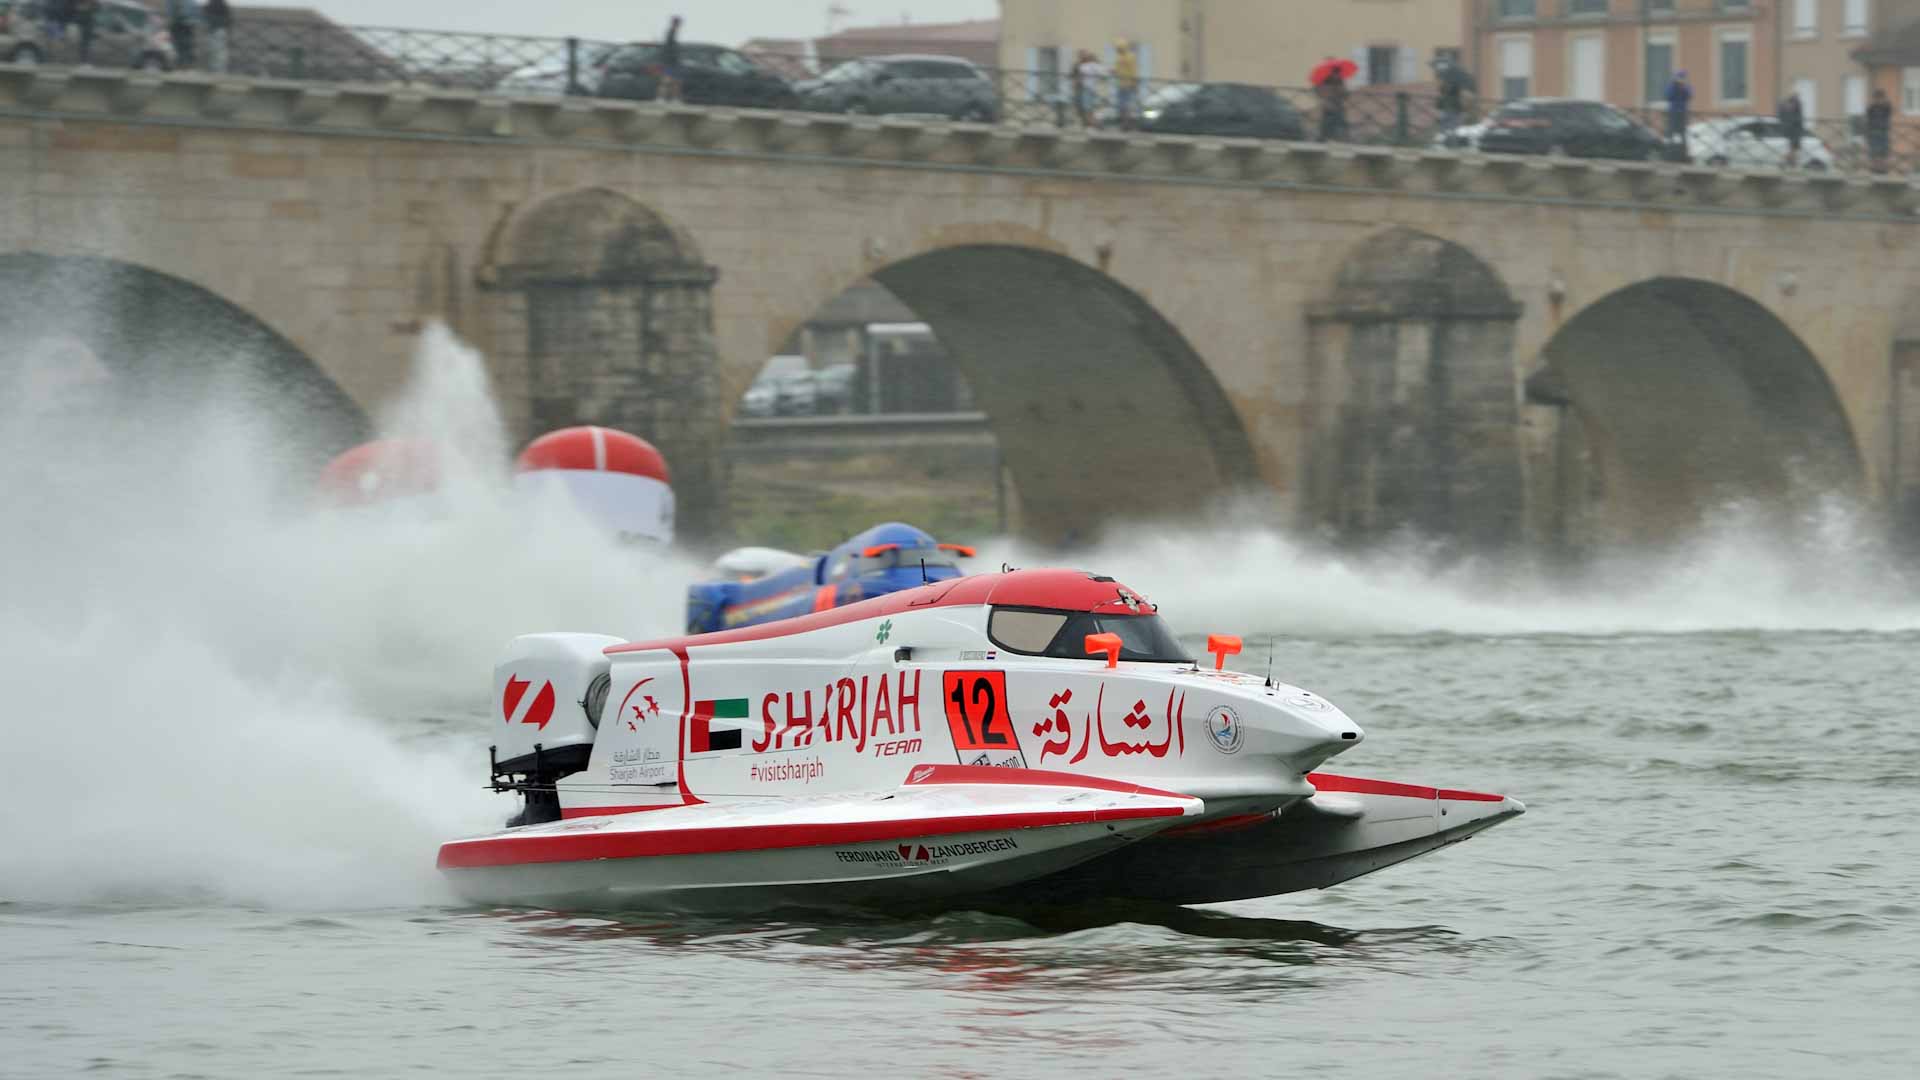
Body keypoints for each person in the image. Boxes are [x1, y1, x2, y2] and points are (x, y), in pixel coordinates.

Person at [1071, 49, 1107, 127]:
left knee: (1088, 107)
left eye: (1084, 55)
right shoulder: (1079, 65)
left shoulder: (1087, 66)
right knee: (1082, 108)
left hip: (1087, 88)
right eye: (1081, 55)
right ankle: (1090, 123)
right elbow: (1074, 75)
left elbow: (1102, 74)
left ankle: (1092, 124)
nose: (1083, 57)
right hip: (1081, 88)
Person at [1317, 62, 1348, 142]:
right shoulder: (1325, 81)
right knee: (1326, 125)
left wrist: (1342, 89)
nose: (1338, 75)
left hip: (1338, 106)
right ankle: (1322, 139)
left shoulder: (1340, 81)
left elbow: (1344, 94)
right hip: (1329, 107)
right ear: (1333, 73)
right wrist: (1326, 101)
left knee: (1341, 123)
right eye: (1336, 73)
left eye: (1338, 73)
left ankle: (1341, 138)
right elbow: (1321, 92)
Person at [1112, 39, 1140, 130]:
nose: (1117, 50)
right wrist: (1113, 72)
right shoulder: (1119, 58)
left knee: (1126, 105)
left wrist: (1134, 83)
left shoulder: (1130, 57)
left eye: (1118, 48)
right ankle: (1124, 124)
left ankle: (1127, 124)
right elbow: (1117, 70)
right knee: (1122, 105)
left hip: (1127, 84)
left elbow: (1133, 71)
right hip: (1121, 84)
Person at [1665, 70, 1692, 157]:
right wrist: (1675, 86)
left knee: (1682, 133)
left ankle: (1683, 152)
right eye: (1679, 78)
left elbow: (1689, 96)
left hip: (1682, 112)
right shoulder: (1671, 86)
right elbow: (1668, 96)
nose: (1681, 79)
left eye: (1682, 78)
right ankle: (1669, 151)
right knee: (1671, 132)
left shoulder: (1686, 87)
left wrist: (1682, 88)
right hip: (1673, 112)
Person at [165, 0, 199, 68]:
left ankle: (184, 63)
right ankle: (182, 63)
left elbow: (169, 12)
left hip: (182, 25)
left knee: (183, 45)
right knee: (181, 45)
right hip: (181, 25)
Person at [1867, 88, 1893, 173]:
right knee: (1874, 152)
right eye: (1877, 98)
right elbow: (1868, 119)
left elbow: (1890, 110)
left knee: (1884, 152)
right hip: (1873, 132)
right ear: (1874, 98)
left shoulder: (1886, 107)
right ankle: (1875, 170)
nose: (1879, 100)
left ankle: (1883, 170)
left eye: (1880, 98)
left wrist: (1885, 102)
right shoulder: (1871, 108)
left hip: (1884, 132)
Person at [659, 15, 683, 102]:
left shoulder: (672, 33)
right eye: (678, 23)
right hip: (671, 62)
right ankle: (665, 98)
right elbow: (670, 49)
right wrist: (674, 58)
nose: (679, 26)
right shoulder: (671, 33)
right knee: (669, 81)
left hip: (671, 61)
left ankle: (670, 98)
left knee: (672, 81)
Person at [1778, 92, 1805, 168]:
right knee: (1794, 149)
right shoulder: (1794, 105)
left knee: (1795, 150)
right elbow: (1796, 119)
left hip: (1795, 131)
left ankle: (1791, 163)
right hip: (1794, 131)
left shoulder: (1792, 106)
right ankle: (1785, 162)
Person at [204, 0, 230, 74]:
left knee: (213, 51)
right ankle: (220, 70)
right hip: (220, 29)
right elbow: (228, 18)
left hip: (213, 29)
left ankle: (214, 70)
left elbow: (206, 15)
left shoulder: (210, 4)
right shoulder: (222, 4)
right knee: (220, 51)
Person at [72, 0, 98, 65]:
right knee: (83, 44)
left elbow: (94, 8)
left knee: (86, 44)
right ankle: (83, 60)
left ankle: (86, 60)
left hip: (87, 26)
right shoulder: (77, 5)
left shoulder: (92, 5)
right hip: (81, 25)